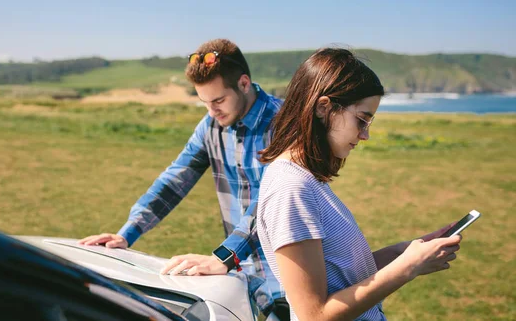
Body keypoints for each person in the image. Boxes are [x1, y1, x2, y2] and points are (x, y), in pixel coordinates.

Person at [79, 39, 288, 319]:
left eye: (218, 100)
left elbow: (270, 201)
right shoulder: (210, 127)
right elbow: (174, 181)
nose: (212, 111)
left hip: (290, 268)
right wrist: (126, 233)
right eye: (204, 102)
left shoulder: (286, 122)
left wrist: (226, 256)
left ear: (244, 83)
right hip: (241, 273)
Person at [256, 48, 462, 321]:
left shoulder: (306, 179)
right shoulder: (291, 188)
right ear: (323, 107)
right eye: (361, 120)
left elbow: (345, 277)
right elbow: (314, 315)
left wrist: (405, 251)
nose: (365, 135)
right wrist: (408, 268)